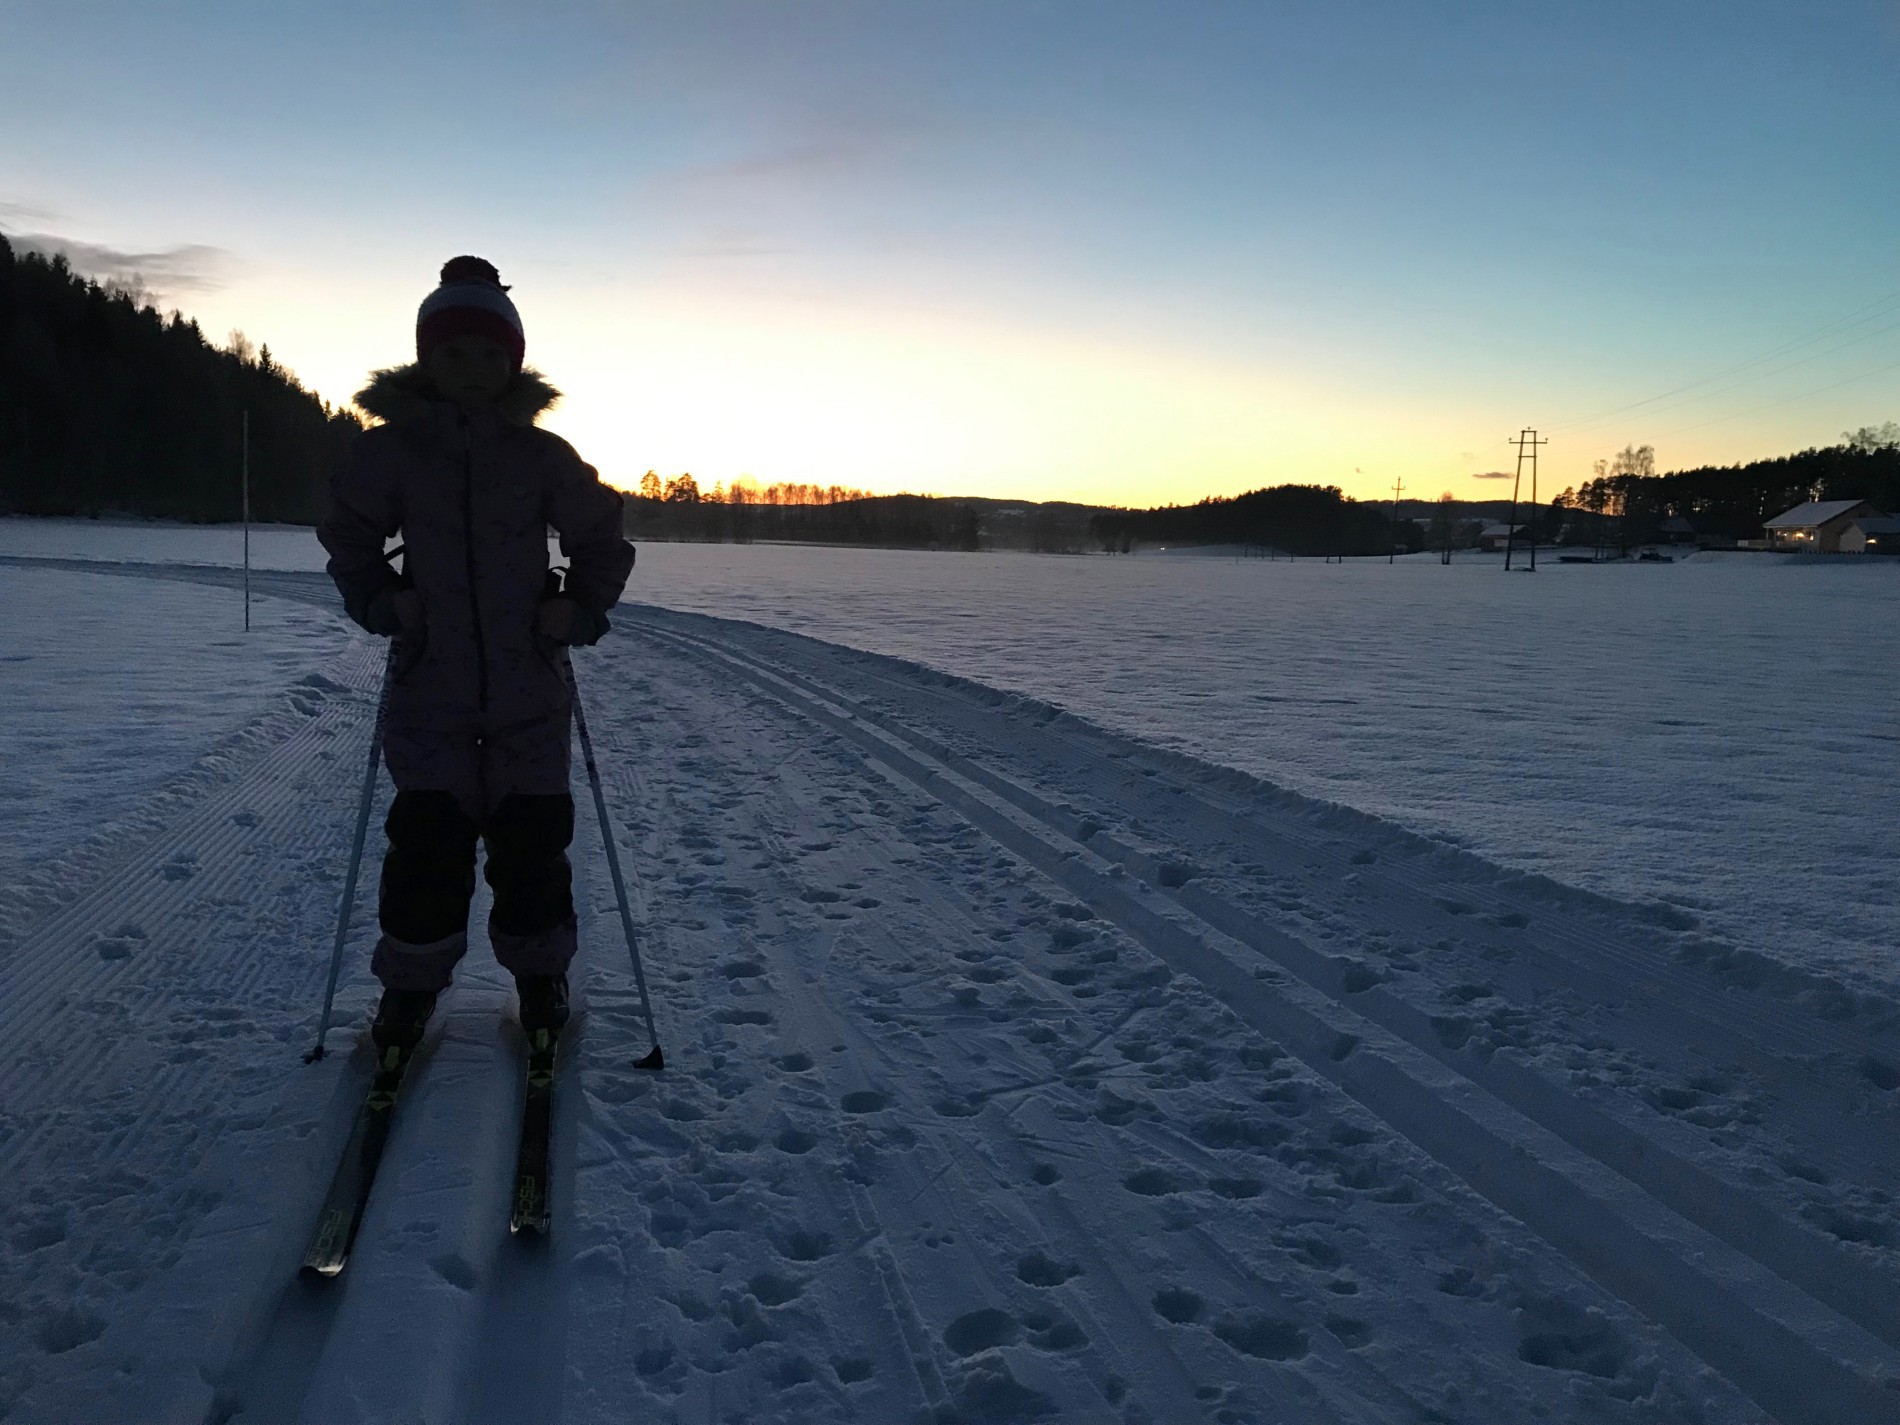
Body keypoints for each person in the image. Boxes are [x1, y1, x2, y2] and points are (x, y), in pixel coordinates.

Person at [318, 255, 636, 1061]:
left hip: (531, 685)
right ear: (426, 358)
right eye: (455, 353)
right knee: (429, 840)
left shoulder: (540, 455)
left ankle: (540, 981)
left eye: (492, 355)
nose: (474, 370)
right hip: (431, 688)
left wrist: (579, 606)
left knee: (532, 841)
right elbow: (348, 534)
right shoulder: (393, 452)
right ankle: (410, 989)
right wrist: (385, 601)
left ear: (513, 363)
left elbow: (602, 536)